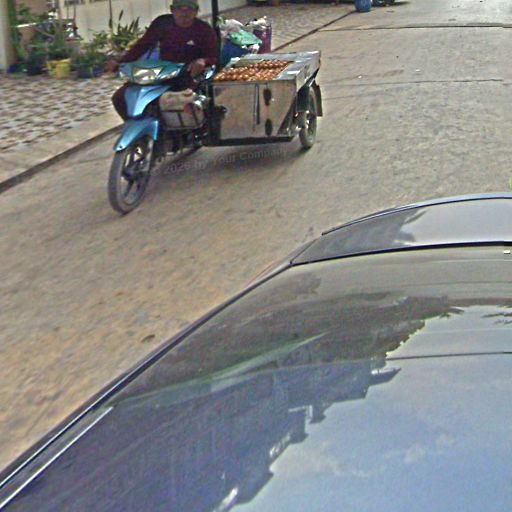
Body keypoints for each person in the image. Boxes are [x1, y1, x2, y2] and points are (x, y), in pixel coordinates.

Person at [107, 0, 218, 120]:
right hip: (162, 74)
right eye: (179, 8)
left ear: (196, 12)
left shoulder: (204, 30)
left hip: (188, 75)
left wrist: (203, 61)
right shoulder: (162, 23)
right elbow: (142, 45)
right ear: (172, 10)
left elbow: (213, 56)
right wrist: (120, 62)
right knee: (120, 97)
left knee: (187, 104)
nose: (184, 13)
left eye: (189, 9)